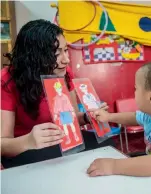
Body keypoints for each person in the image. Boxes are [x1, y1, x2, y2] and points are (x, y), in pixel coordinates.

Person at [1, 19, 113, 168]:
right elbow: (2, 144)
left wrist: (87, 117)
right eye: (56, 53)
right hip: (28, 151)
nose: (66, 60)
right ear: (34, 56)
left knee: (107, 144)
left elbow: (71, 119)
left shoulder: (65, 73)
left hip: (62, 143)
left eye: (65, 50)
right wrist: (28, 141)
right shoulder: (7, 80)